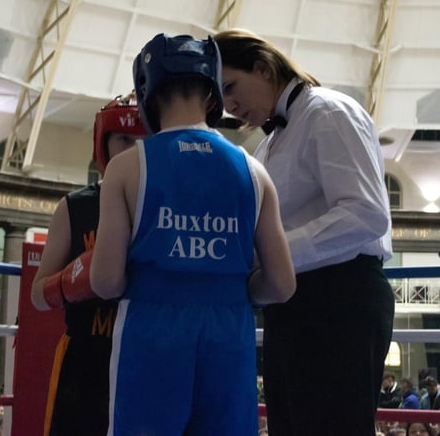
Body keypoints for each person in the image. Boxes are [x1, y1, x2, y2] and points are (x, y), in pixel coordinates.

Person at [89, 33, 296, 435]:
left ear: (147, 92)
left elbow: (105, 280)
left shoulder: (127, 168)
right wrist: (234, 288)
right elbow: (283, 284)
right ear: (213, 93)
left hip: (151, 328)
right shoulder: (254, 171)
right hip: (230, 331)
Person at [213, 27, 395, 435]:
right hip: (292, 303)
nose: (229, 105)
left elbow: (366, 213)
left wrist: (273, 256)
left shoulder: (329, 111)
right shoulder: (266, 145)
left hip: (340, 300)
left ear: (262, 67)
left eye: (231, 87)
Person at [30, 92, 146, 436]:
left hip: (146, 355)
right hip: (85, 360)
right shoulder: (76, 208)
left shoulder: (169, 205)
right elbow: (38, 294)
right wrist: (74, 278)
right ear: (104, 144)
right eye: (125, 139)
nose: (134, 150)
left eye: (144, 141)